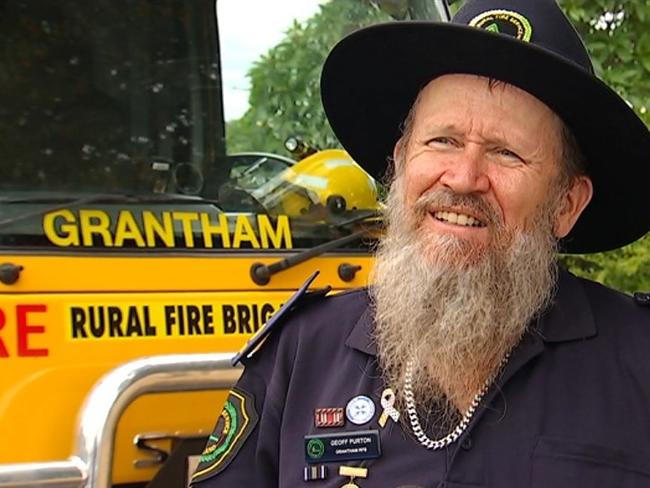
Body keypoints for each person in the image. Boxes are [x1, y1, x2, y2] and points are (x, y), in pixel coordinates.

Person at [191, 0, 650, 486]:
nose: (464, 177)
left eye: (506, 152)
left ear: (566, 204)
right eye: (442, 141)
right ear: (400, 165)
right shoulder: (301, 353)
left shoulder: (640, 359)